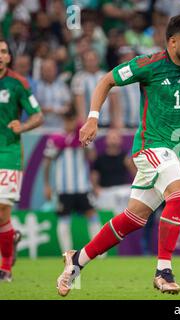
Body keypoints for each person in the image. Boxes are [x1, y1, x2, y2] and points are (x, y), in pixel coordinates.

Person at [56, 14, 180, 296]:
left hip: (172, 152)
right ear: (173, 42)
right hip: (150, 148)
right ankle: (163, 271)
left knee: (133, 219)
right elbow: (105, 81)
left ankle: (76, 261)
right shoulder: (149, 65)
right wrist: (92, 118)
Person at [0, 40, 44, 282]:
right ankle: (10, 237)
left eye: (4, 52)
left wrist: (23, 126)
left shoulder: (18, 83)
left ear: (8, 57)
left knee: (2, 212)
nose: (0, 56)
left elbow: (39, 115)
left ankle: (5, 269)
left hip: (8, 152)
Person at [43, 108, 102, 255]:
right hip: (64, 188)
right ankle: (67, 253)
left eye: (72, 119)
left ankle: (100, 252)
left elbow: (93, 157)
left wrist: (85, 141)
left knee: (92, 214)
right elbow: (47, 163)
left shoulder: (83, 136)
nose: (70, 123)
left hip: (82, 186)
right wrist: (47, 185)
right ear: (64, 121)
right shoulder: (56, 139)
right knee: (64, 219)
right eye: (67, 120)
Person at [91, 128, 136, 215]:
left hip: (122, 191)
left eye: (115, 138)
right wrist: (96, 188)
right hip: (105, 191)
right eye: (111, 138)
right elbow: (94, 175)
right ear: (106, 140)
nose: (113, 141)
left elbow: (134, 174)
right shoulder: (100, 158)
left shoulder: (125, 158)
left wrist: (129, 164)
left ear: (120, 140)